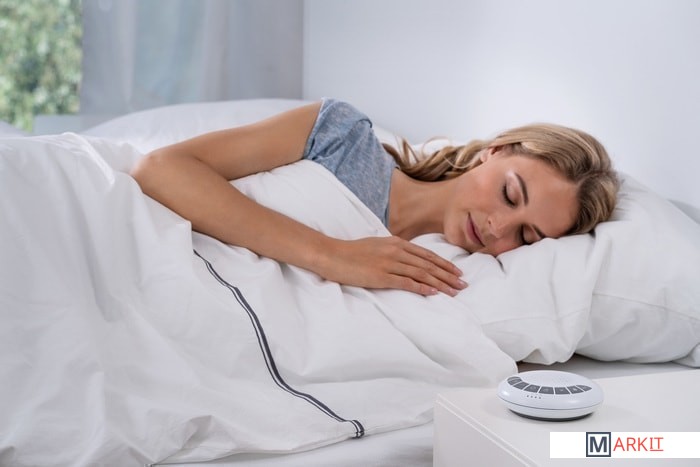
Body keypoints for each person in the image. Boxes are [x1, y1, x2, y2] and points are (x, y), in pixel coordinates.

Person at [130, 99, 618, 297]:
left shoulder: (459, 280)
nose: (499, 228)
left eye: (526, 236)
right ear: (495, 151)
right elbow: (161, 169)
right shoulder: (343, 137)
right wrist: (332, 256)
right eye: (510, 195)